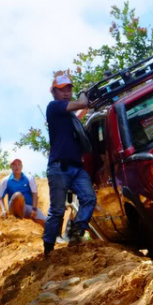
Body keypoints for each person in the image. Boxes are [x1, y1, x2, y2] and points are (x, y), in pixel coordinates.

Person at [42, 72, 96, 256]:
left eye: (69, 89)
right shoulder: (54, 107)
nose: (66, 93)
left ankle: (73, 237)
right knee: (57, 211)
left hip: (76, 168)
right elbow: (82, 103)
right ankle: (48, 249)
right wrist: (84, 93)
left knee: (89, 199)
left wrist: (87, 106)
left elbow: (79, 113)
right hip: (59, 167)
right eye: (62, 90)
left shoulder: (68, 116)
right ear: (54, 93)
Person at [0, 158, 46, 227]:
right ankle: (21, 222)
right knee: (18, 195)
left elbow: (34, 193)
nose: (17, 167)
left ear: (22, 166)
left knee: (47, 222)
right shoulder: (6, 180)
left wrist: (34, 209)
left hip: (28, 207)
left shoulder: (29, 178)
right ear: (11, 167)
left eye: (19, 164)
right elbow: (0, 197)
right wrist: (3, 210)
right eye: (14, 165)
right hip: (13, 209)